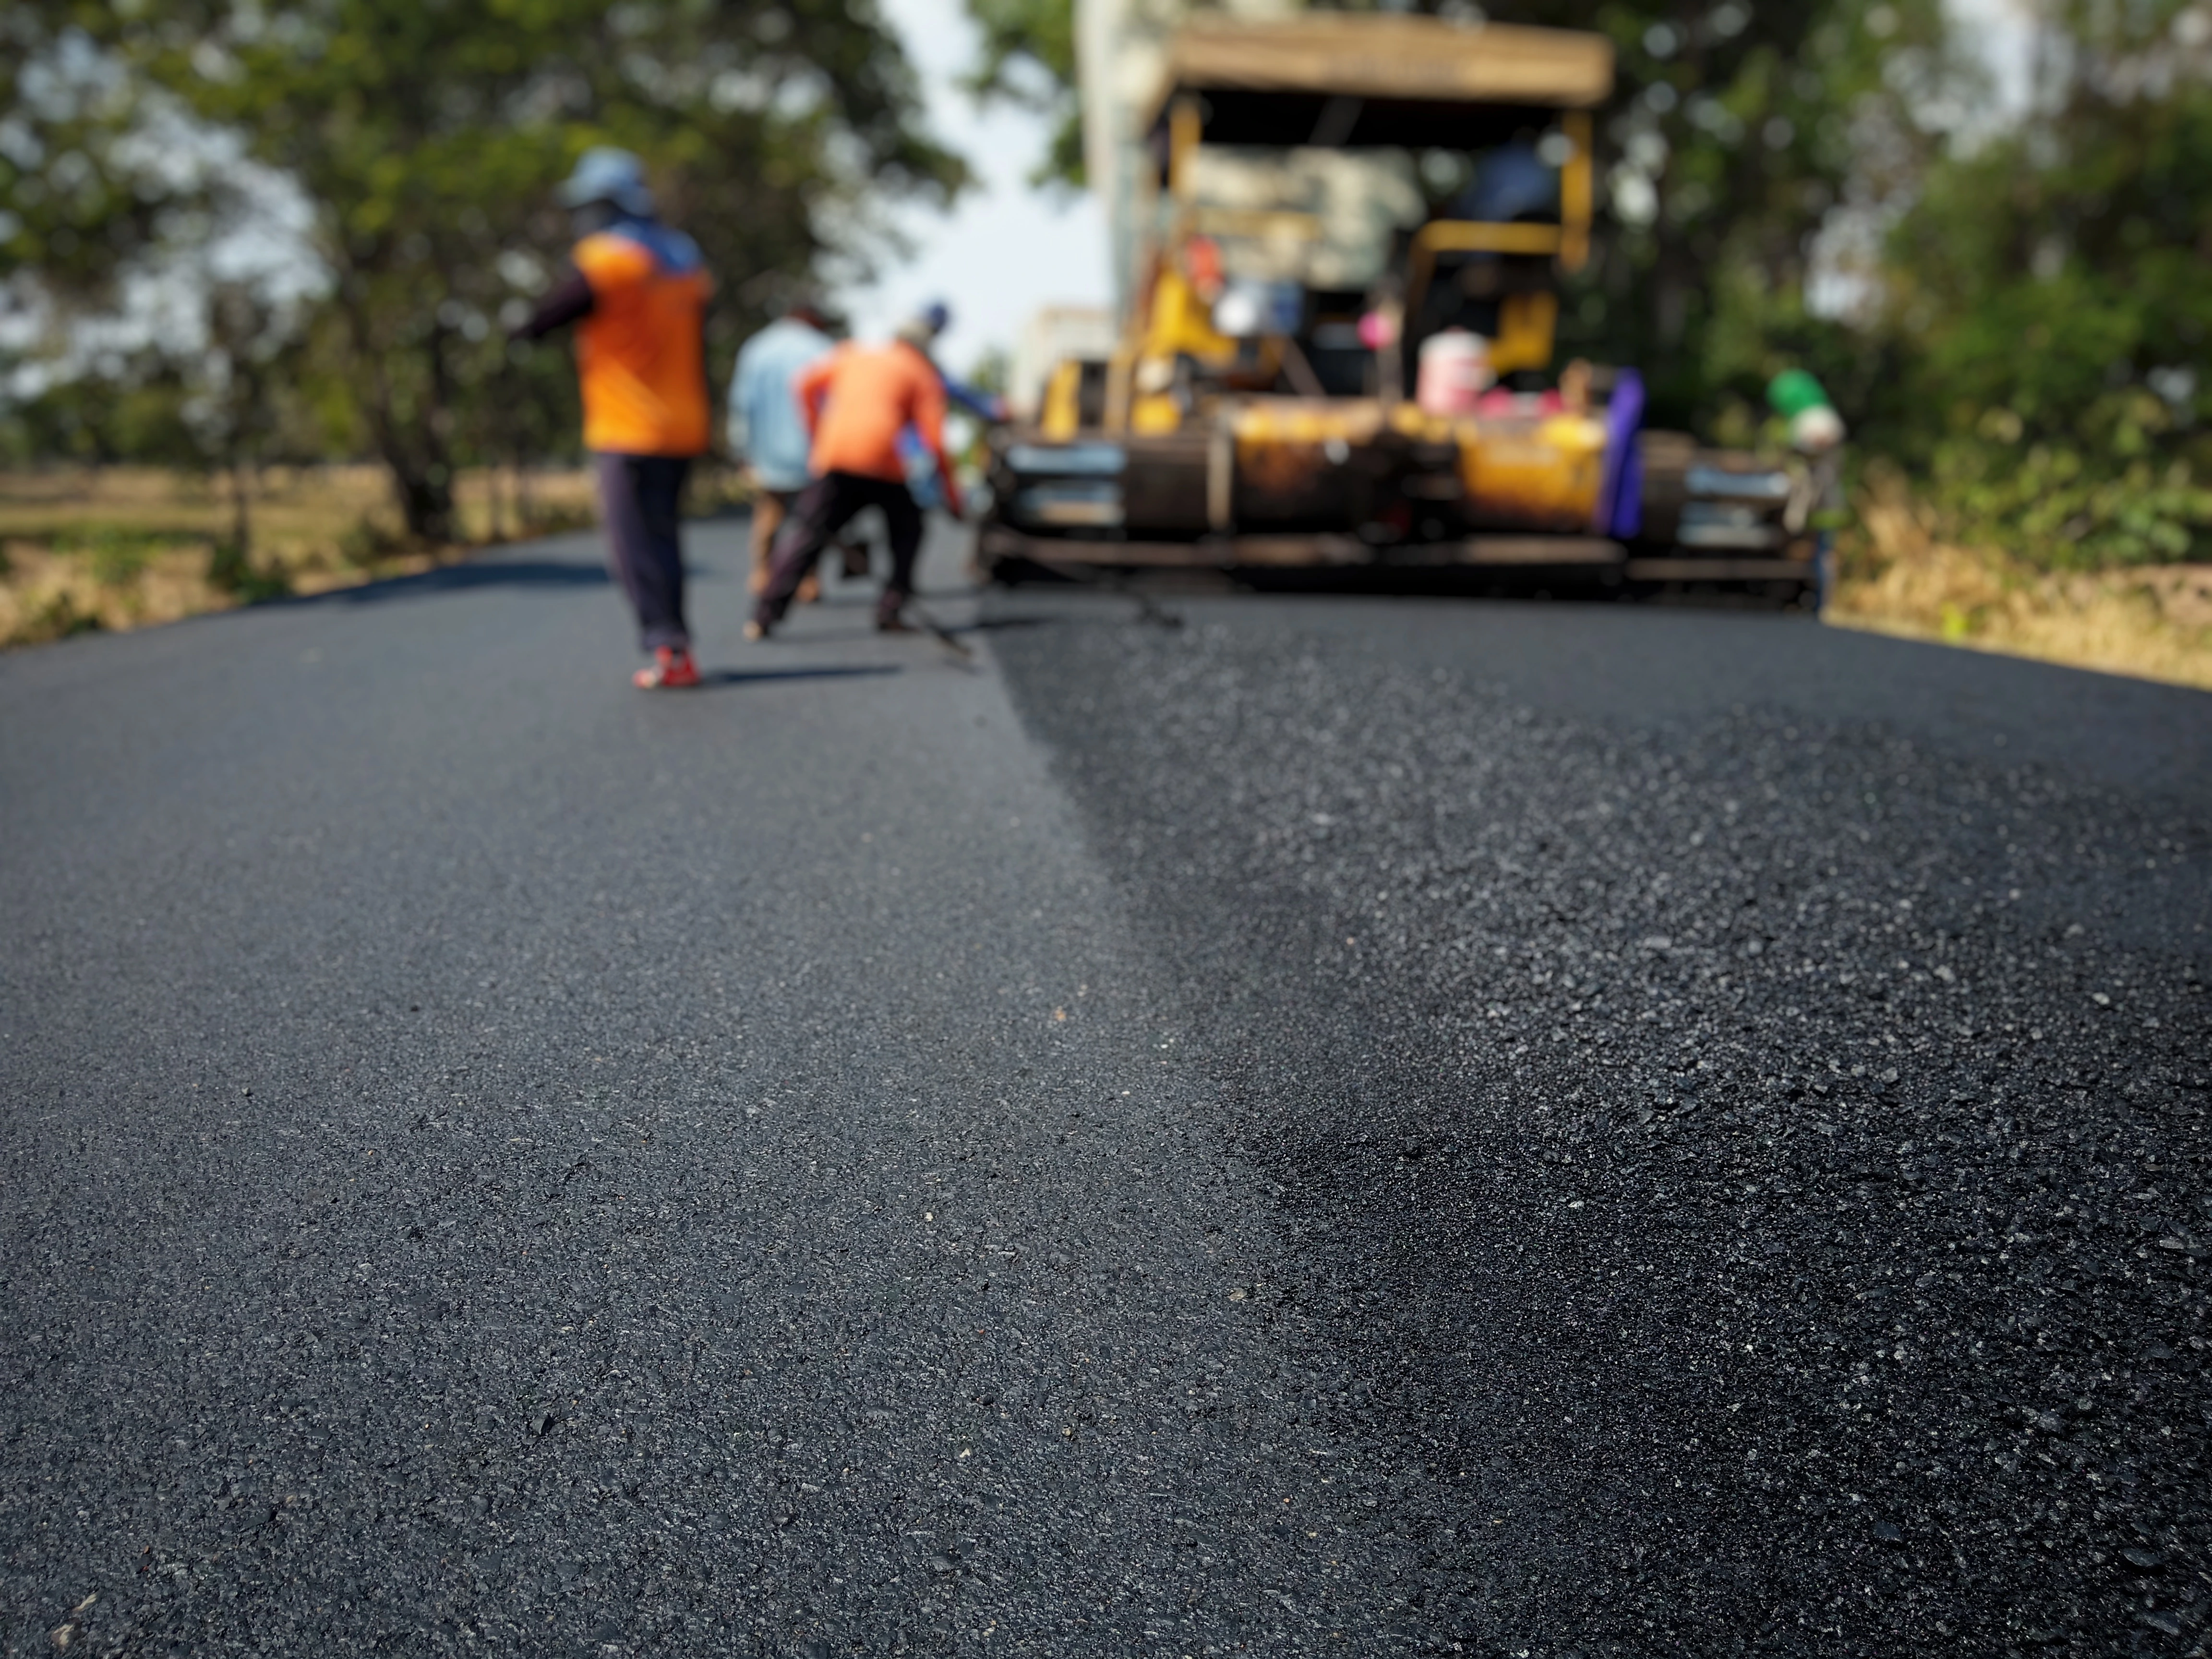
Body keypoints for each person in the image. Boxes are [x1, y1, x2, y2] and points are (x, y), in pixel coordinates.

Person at [511, 148, 712, 689]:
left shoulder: (611, 258)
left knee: (632, 545)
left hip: (629, 429)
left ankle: (667, 647)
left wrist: (518, 331)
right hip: (684, 423)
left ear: (606, 205)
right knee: (664, 538)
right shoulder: (684, 259)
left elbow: (553, 312)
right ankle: (678, 646)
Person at [746, 310, 964, 640]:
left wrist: (816, 430)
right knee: (909, 530)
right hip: (883, 464)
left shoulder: (852, 355)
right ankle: (891, 609)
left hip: (835, 457)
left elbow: (803, 384)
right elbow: (934, 440)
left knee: (808, 535)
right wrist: (953, 495)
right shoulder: (920, 372)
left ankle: (764, 617)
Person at [727, 297, 838, 601]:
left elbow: (742, 403)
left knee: (769, 513)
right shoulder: (822, 349)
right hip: (813, 450)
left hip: (768, 450)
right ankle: (807, 581)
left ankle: (762, 575)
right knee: (813, 521)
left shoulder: (758, 348)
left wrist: (741, 448)